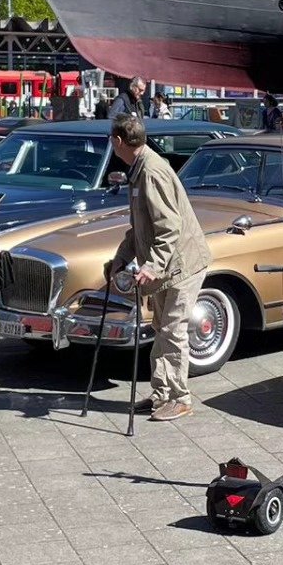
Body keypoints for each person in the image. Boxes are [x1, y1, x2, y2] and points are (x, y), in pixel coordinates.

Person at [106, 113, 210, 422]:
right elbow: (139, 227)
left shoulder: (151, 172)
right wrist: (121, 258)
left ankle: (180, 398)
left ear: (118, 141)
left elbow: (170, 228)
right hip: (168, 266)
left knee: (173, 330)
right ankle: (162, 392)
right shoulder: (139, 169)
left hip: (182, 265)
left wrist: (152, 265)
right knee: (161, 329)